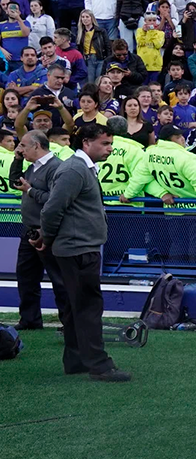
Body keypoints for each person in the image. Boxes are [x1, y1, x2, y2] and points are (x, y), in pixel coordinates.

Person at [18, 125, 130, 382]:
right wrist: (47, 237)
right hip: (78, 248)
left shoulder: (77, 168)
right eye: (105, 143)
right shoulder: (75, 169)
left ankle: (77, 359)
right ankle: (99, 366)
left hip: (78, 246)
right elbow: (51, 208)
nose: (110, 149)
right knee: (88, 308)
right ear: (87, 142)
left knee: (75, 306)